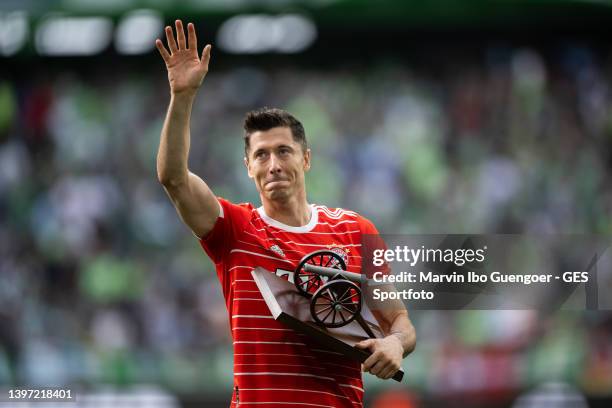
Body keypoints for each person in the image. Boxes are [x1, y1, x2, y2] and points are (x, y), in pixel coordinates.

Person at [155, 20, 416, 407]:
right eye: (261, 154)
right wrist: (183, 95)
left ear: (306, 158)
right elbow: (173, 178)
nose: (273, 164)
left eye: (283, 151)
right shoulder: (234, 229)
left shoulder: (355, 230)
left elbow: (400, 322)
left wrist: (395, 343)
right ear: (248, 166)